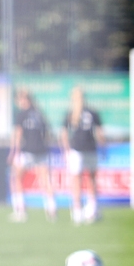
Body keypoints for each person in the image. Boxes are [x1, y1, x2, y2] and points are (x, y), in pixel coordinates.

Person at [8, 88, 56, 222]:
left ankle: (20, 210)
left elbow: (17, 134)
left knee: (16, 178)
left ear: (24, 100)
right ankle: (52, 210)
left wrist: (14, 152)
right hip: (41, 151)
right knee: (46, 181)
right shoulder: (39, 113)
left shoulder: (22, 114)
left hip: (27, 151)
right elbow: (47, 134)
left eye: (20, 99)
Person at [60, 87, 105, 225]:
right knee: (76, 179)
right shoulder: (70, 114)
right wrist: (66, 150)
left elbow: (99, 132)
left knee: (91, 178)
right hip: (77, 150)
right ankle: (77, 209)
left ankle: (92, 208)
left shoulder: (92, 113)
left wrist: (102, 145)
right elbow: (64, 134)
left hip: (90, 149)